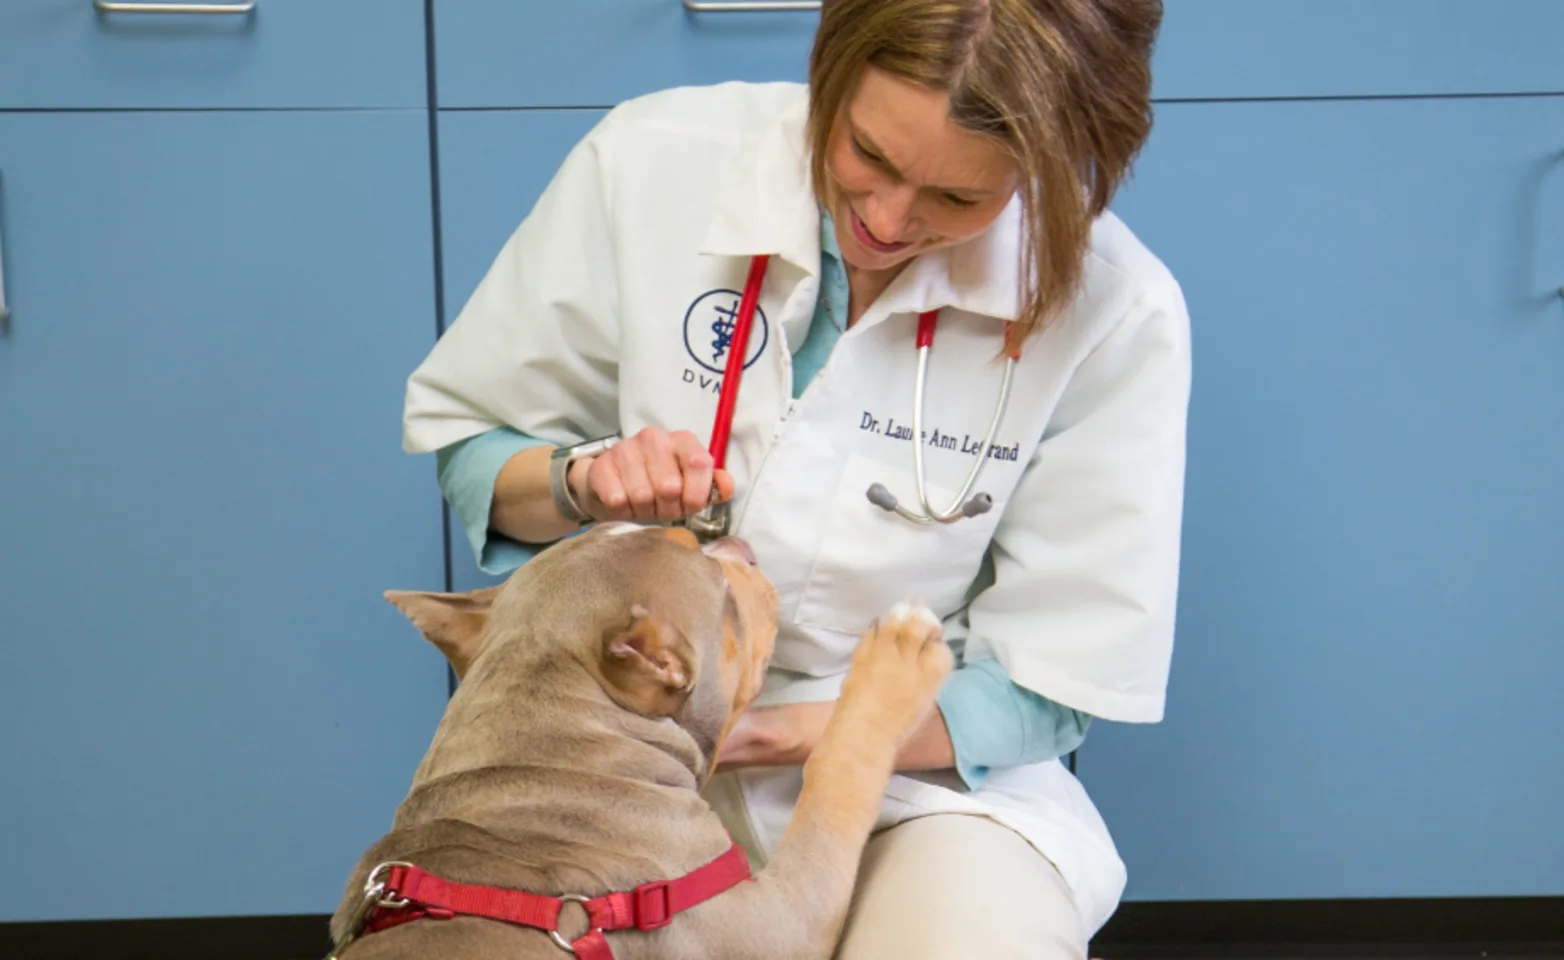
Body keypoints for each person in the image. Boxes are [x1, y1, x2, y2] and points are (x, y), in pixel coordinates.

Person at [401, 0, 1185, 955]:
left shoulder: (1115, 310)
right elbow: (479, 450)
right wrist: (583, 480)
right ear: (831, 65)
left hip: (920, 785)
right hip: (612, 746)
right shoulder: (655, 161)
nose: (890, 221)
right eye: (870, 155)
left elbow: (1056, 677)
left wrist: (783, 733)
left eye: (958, 200)